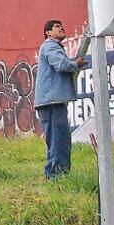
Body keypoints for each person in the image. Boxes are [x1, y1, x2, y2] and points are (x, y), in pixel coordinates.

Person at [33, 19, 87, 179]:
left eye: (62, 25)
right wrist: (75, 64)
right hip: (52, 102)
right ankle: (58, 177)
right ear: (48, 33)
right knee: (59, 140)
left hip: (52, 101)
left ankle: (54, 175)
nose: (62, 28)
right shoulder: (50, 45)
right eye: (57, 27)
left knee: (57, 140)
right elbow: (61, 65)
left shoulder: (53, 47)